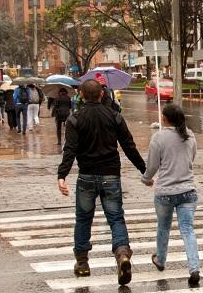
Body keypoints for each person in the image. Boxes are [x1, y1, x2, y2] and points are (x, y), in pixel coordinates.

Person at [57, 79, 146, 286]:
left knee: (83, 219)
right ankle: (122, 253)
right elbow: (129, 146)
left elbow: (69, 150)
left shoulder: (75, 119)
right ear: (101, 94)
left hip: (86, 176)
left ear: (81, 96)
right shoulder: (114, 116)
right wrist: (144, 170)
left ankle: (82, 263)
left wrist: (62, 175)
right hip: (111, 176)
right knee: (116, 218)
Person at [141, 104, 200, 286]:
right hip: (188, 191)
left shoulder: (158, 138)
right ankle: (194, 267)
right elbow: (192, 157)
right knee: (188, 230)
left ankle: (160, 260)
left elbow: (152, 166)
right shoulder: (189, 135)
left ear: (165, 118)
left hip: (165, 192)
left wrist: (146, 179)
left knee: (163, 227)